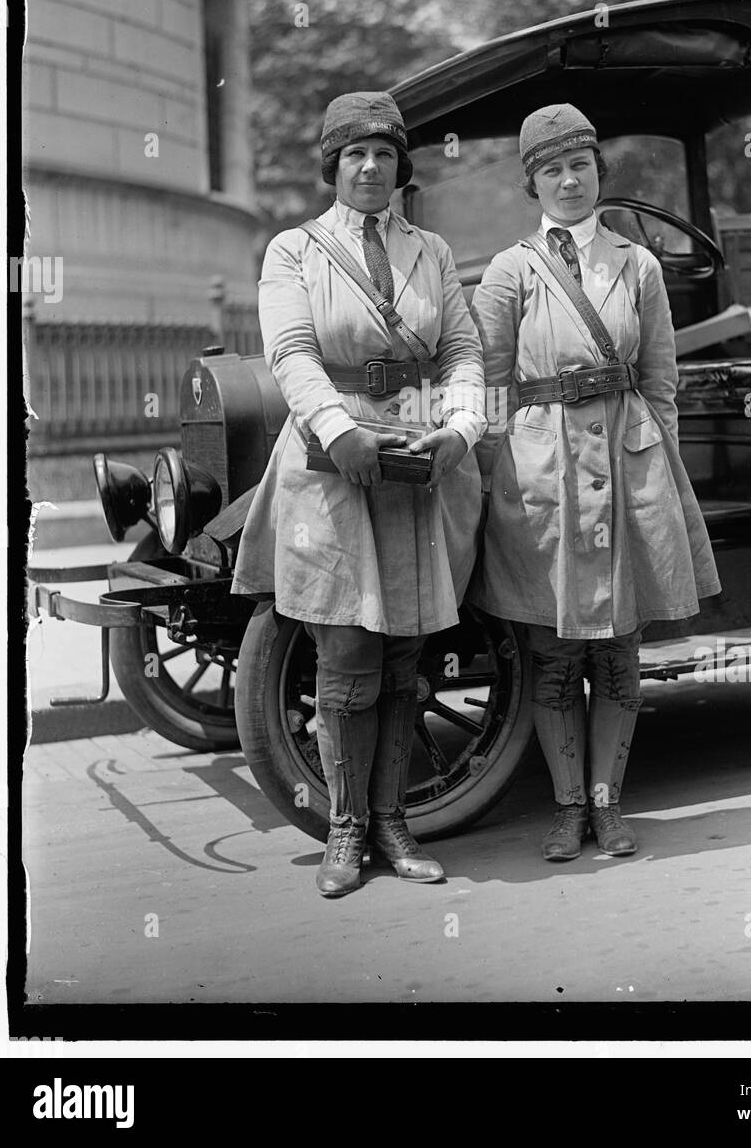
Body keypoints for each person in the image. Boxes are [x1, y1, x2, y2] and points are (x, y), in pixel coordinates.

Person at [232, 91, 487, 896]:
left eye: (383, 153)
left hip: (416, 457)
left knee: (405, 652)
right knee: (344, 651)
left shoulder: (434, 252)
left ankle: (393, 824)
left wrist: (460, 429)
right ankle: (344, 830)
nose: (370, 167)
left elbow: (461, 350)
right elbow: (292, 350)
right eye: (354, 155)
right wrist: (340, 431)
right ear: (333, 168)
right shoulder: (294, 251)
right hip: (329, 460)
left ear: (401, 166)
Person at [468, 104, 720, 861]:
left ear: (598, 173)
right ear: (533, 183)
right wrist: (492, 480)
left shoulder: (635, 265)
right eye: (552, 170)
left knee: (616, 654)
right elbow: (486, 384)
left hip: (625, 464)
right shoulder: (510, 271)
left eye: (580, 166)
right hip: (542, 473)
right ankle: (567, 808)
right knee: (553, 654)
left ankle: (609, 808)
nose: (568, 181)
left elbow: (660, 381)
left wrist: (657, 469)